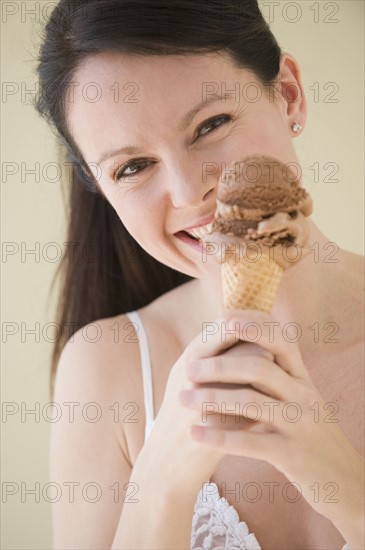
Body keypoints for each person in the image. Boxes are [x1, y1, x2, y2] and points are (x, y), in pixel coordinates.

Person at [35, 1, 364, 548]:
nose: (191, 191)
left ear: (288, 95)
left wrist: (347, 490)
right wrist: (163, 478)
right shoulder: (104, 370)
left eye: (211, 124)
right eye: (133, 167)